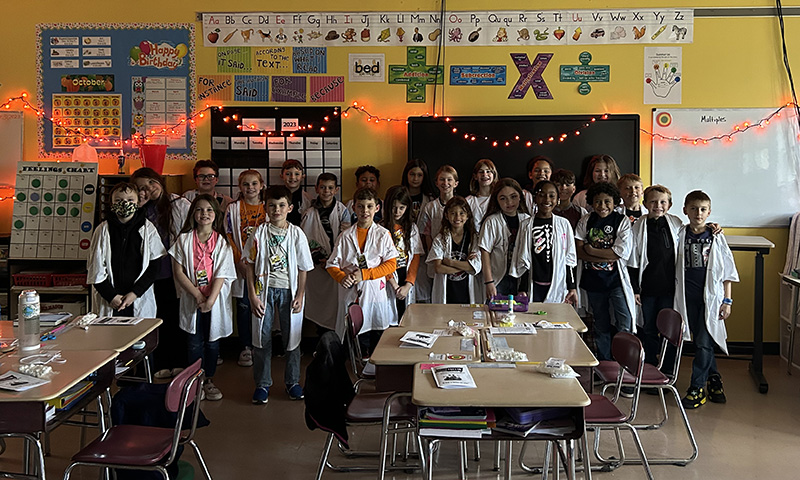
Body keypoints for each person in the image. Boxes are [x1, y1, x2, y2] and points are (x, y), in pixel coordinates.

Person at [245, 185, 314, 405]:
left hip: (289, 291)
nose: (277, 210)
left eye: (282, 205)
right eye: (272, 206)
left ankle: (292, 382)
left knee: (291, 338)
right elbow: (249, 264)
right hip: (263, 291)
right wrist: (252, 296)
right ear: (265, 207)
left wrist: (301, 294)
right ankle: (262, 384)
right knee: (261, 338)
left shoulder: (296, 233)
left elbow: (303, 267)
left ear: (290, 208)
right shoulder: (259, 233)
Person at [675, 190, 738, 409]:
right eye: (693, 208)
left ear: (709, 212)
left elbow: (727, 272)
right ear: (685, 211)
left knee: (703, 342)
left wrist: (727, 301)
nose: (698, 213)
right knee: (702, 340)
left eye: (703, 209)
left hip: (710, 300)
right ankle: (714, 377)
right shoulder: (680, 234)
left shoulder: (715, 237)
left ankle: (697, 387)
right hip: (687, 298)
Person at [170, 195, 236, 401]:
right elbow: (179, 271)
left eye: (209, 210)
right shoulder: (184, 239)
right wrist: (197, 294)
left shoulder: (222, 242)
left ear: (216, 214)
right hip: (193, 298)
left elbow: (222, 273)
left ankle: (209, 380)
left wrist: (209, 300)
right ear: (192, 214)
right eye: (199, 210)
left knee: (212, 341)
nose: (204, 214)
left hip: (213, 300)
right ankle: (193, 381)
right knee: (193, 341)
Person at [131, 167, 191, 379]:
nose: (148, 189)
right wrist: (138, 207)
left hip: (173, 273)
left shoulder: (178, 204)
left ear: (160, 182)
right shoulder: (138, 210)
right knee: (152, 321)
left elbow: (191, 234)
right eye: (140, 187)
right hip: (148, 276)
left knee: (174, 319)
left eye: (151, 183)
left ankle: (178, 362)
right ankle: (158, 363)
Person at [326, 187, 397, 355]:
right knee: (355, 340)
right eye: (361, 206)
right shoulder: (345, 236)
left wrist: (365, 274)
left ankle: (373, 372)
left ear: (377, 208)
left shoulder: (383, 234)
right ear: (354, 208)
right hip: (352, 295)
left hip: (374, 295)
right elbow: (331, 264)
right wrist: (342, 277)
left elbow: (391, 265)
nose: (365, 211)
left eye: (369, 206)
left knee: (376, 338)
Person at [574, 182, 636, 361]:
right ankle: (605, 362)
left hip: (616, 281)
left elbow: (620, 253)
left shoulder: (621, 221)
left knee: (624, 321)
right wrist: (601, 256)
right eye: (598, 202)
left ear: (615, 202)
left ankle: (624, 362)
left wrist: (591, 251)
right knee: (600, 324)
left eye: (607, 201)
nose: (602, 206)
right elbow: (578, 251)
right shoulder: (587, 220)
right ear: (592, 203)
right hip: (593, 281)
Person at [87, 182, 165, 318]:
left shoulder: (148, 229)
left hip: (138, 298)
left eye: (130, 200)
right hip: (110, 300)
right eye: (119, 200)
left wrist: (135, 293)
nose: (124, 203)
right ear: (111, 204)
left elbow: (154, 266)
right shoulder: (102, 230)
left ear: (137, 202)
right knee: (109, 337)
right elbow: (95, 268)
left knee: (139, 337)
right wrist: (111, 296)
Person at [628, 185, 683, 367]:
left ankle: (667, 366)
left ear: (670, 204)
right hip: (648, 288)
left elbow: (694, 232)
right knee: (649, 328)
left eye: (662, 202)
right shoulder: (638, 225)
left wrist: (712, 227)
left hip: (670, 289)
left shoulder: (676, 223)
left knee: (669, 328)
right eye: (652, 201)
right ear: (645, 203)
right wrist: (635, 289)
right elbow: (633, 260)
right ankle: (650, 365)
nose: (658, 205)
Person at [300, 173, 351, 334]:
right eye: (322, 187)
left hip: (337, 265)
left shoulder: (342, 211)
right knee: (318, 304)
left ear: (336, 190)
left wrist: (332, 259)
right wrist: (319, 258)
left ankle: (335, 340)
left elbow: (347, 237)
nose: (326, 191)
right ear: (316, 189)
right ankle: (319, 340)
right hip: (317, 266)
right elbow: (304, 239)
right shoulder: (309, 213)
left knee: (336, 305)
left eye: (330, 188)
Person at [511, 181, 577, 304]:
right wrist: (522, 289)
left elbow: (570, 258)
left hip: (557, 283)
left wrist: (572, 287)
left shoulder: (563, 224)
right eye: (542, 195)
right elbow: (523, 259)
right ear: (535, 198)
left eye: (552, 196)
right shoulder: (526, 225)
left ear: (557, 199)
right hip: (534, 284)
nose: (547, 199)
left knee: (555, 319)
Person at [225, 170, 266, 368]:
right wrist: (239, 260)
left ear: (262, 185)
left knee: (263, 305)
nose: (250, 188)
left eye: (254, 184)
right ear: (240, 187)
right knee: (243, 306)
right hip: (241, 264)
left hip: (264, 264)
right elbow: (229, 236)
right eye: (246, 184)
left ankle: (263, 345)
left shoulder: (268, 207)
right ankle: (246, 346)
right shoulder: (233, 209)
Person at [479, 178, 530, 301]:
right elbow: (485, 252)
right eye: (503, 198)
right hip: (498, 278)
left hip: (521, 279)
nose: (509, 202)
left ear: (520, 197)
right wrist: (489, 282)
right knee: (495, 314)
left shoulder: (527, 219)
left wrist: (524, 287)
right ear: (496, 200)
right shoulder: (492, 221)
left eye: (513, 197)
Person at [428, 196, 482, 304]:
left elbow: (475, 267)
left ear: (467, 216)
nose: (457, 217)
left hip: (467, 292)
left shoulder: (473, 238)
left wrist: (450, 262)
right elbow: (438, 268)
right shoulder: (440, 238)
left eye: (462, 213)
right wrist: (464, 266)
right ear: (446, 216)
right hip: (447, 293)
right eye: (453, 213)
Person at [417, 165, 459, 303]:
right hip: (437, 258)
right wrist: (433, 253)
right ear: (436, 183)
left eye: (449, 180)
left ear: (455, 183)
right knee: (438, 295)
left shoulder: (462, 205)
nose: (445, 183)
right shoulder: (430, 207)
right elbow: (426, 233)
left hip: (457, 256)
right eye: (442, 179)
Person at [381, 185, 424, 321]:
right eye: (394, 207)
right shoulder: (380, 229)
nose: (397, 211)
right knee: (388, 318)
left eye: (401, 208)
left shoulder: (412, 229)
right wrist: (393, 284)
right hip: (388, 278)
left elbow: (415, 257)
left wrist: (408, 284)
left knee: (405, 318)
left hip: (405, 276)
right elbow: (380, 260)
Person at [465, 159, 498, 230]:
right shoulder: (468, 201)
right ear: (475, 176)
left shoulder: (499, 199)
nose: (485, 174)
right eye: (481, 172)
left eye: (488, 171)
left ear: (494, 175)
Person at [401, 159, 436, 223]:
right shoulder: (399, 196)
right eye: (412, 174)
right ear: (406, 175)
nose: (415, 178)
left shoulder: (430, 199)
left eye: (419, 175)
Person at [281, 159, 313, 226]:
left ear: (303, 177)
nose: (292, 177)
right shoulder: (277, 197)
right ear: (282, 176)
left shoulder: (308, 199)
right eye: (288, 174)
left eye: (297, 174)